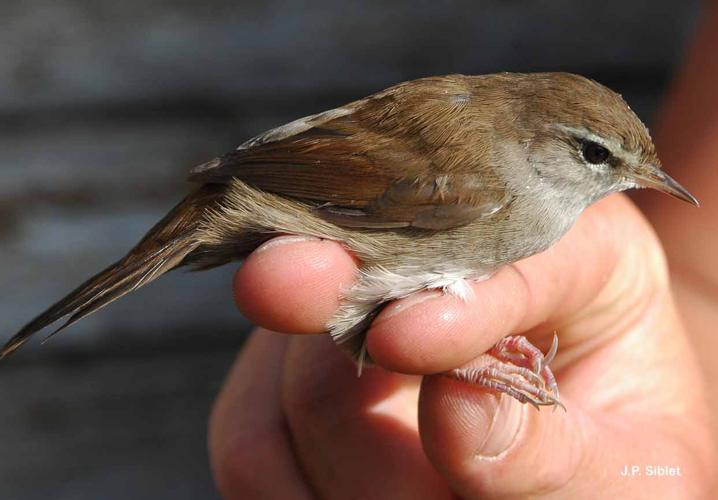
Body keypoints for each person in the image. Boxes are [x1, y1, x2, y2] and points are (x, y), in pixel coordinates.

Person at [207, 7, 718, 498]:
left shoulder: (527, 188)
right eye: (596, 155)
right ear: (538, 142)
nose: (629, 176)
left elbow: (699, 283)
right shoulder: (488, 184)